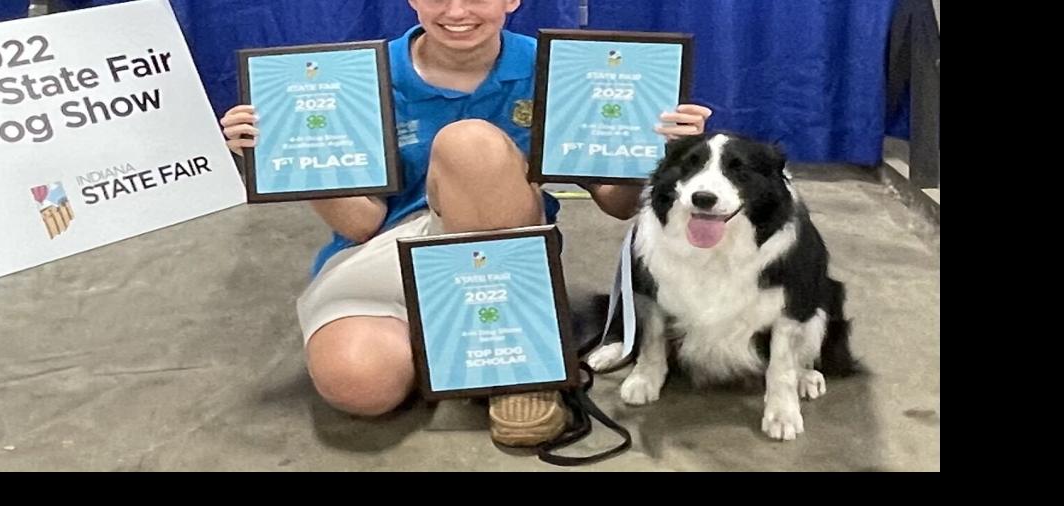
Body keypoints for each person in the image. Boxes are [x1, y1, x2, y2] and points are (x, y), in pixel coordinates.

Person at [219, 0, 711, 445]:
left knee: (470, 145)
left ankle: (519, 364)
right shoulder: (351, 77)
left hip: (502, 252)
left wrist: (657, 150)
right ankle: (454, 334)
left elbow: (617, 204)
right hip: (386, 250)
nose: (457, 11)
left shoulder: (559, 68)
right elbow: (362, 226)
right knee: (360, 386)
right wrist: (287, 152)